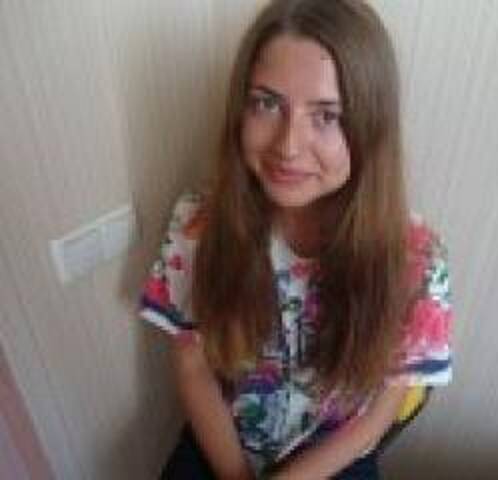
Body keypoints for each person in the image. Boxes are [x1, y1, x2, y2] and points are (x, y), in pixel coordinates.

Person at [138, 0, 453, 478]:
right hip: (223, 440)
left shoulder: (416, 259)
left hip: (335, 455)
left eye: (326, 115)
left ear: (370, 127)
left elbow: (382, 409)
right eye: (266, 103)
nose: (287, 146)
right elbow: (192, 366)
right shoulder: (199, 224)